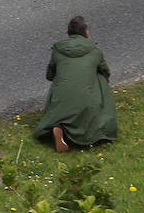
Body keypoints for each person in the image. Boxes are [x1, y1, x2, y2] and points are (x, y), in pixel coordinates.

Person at [33, 16, 117, 151]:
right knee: (99, 77)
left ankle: (60, 127)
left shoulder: (58, 49)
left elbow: (50, 76)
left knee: (63, 80)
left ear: (68, 32)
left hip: (61, 100)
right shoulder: (95, 50)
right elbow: (106, 72)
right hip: (86, 99)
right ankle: (92, 129)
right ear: (86, 33)